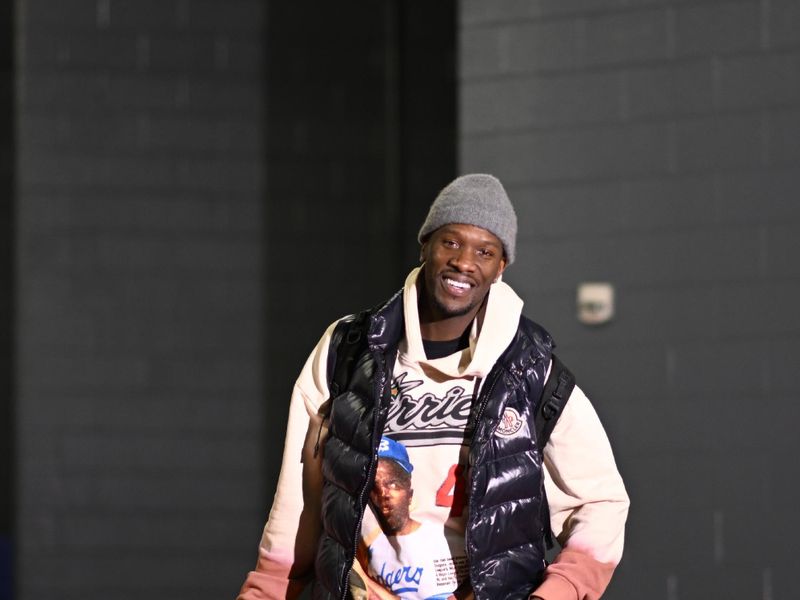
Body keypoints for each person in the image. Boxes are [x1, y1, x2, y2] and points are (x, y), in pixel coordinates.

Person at [237, 174, 629, 600]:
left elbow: (601, 501)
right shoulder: (347, 351)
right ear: (425, 244)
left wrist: (556, 593)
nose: (465, 262)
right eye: (451, 242)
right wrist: (268, 589)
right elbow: (300, 497)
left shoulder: (532, 370)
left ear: (501, 267)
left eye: (485, 251)